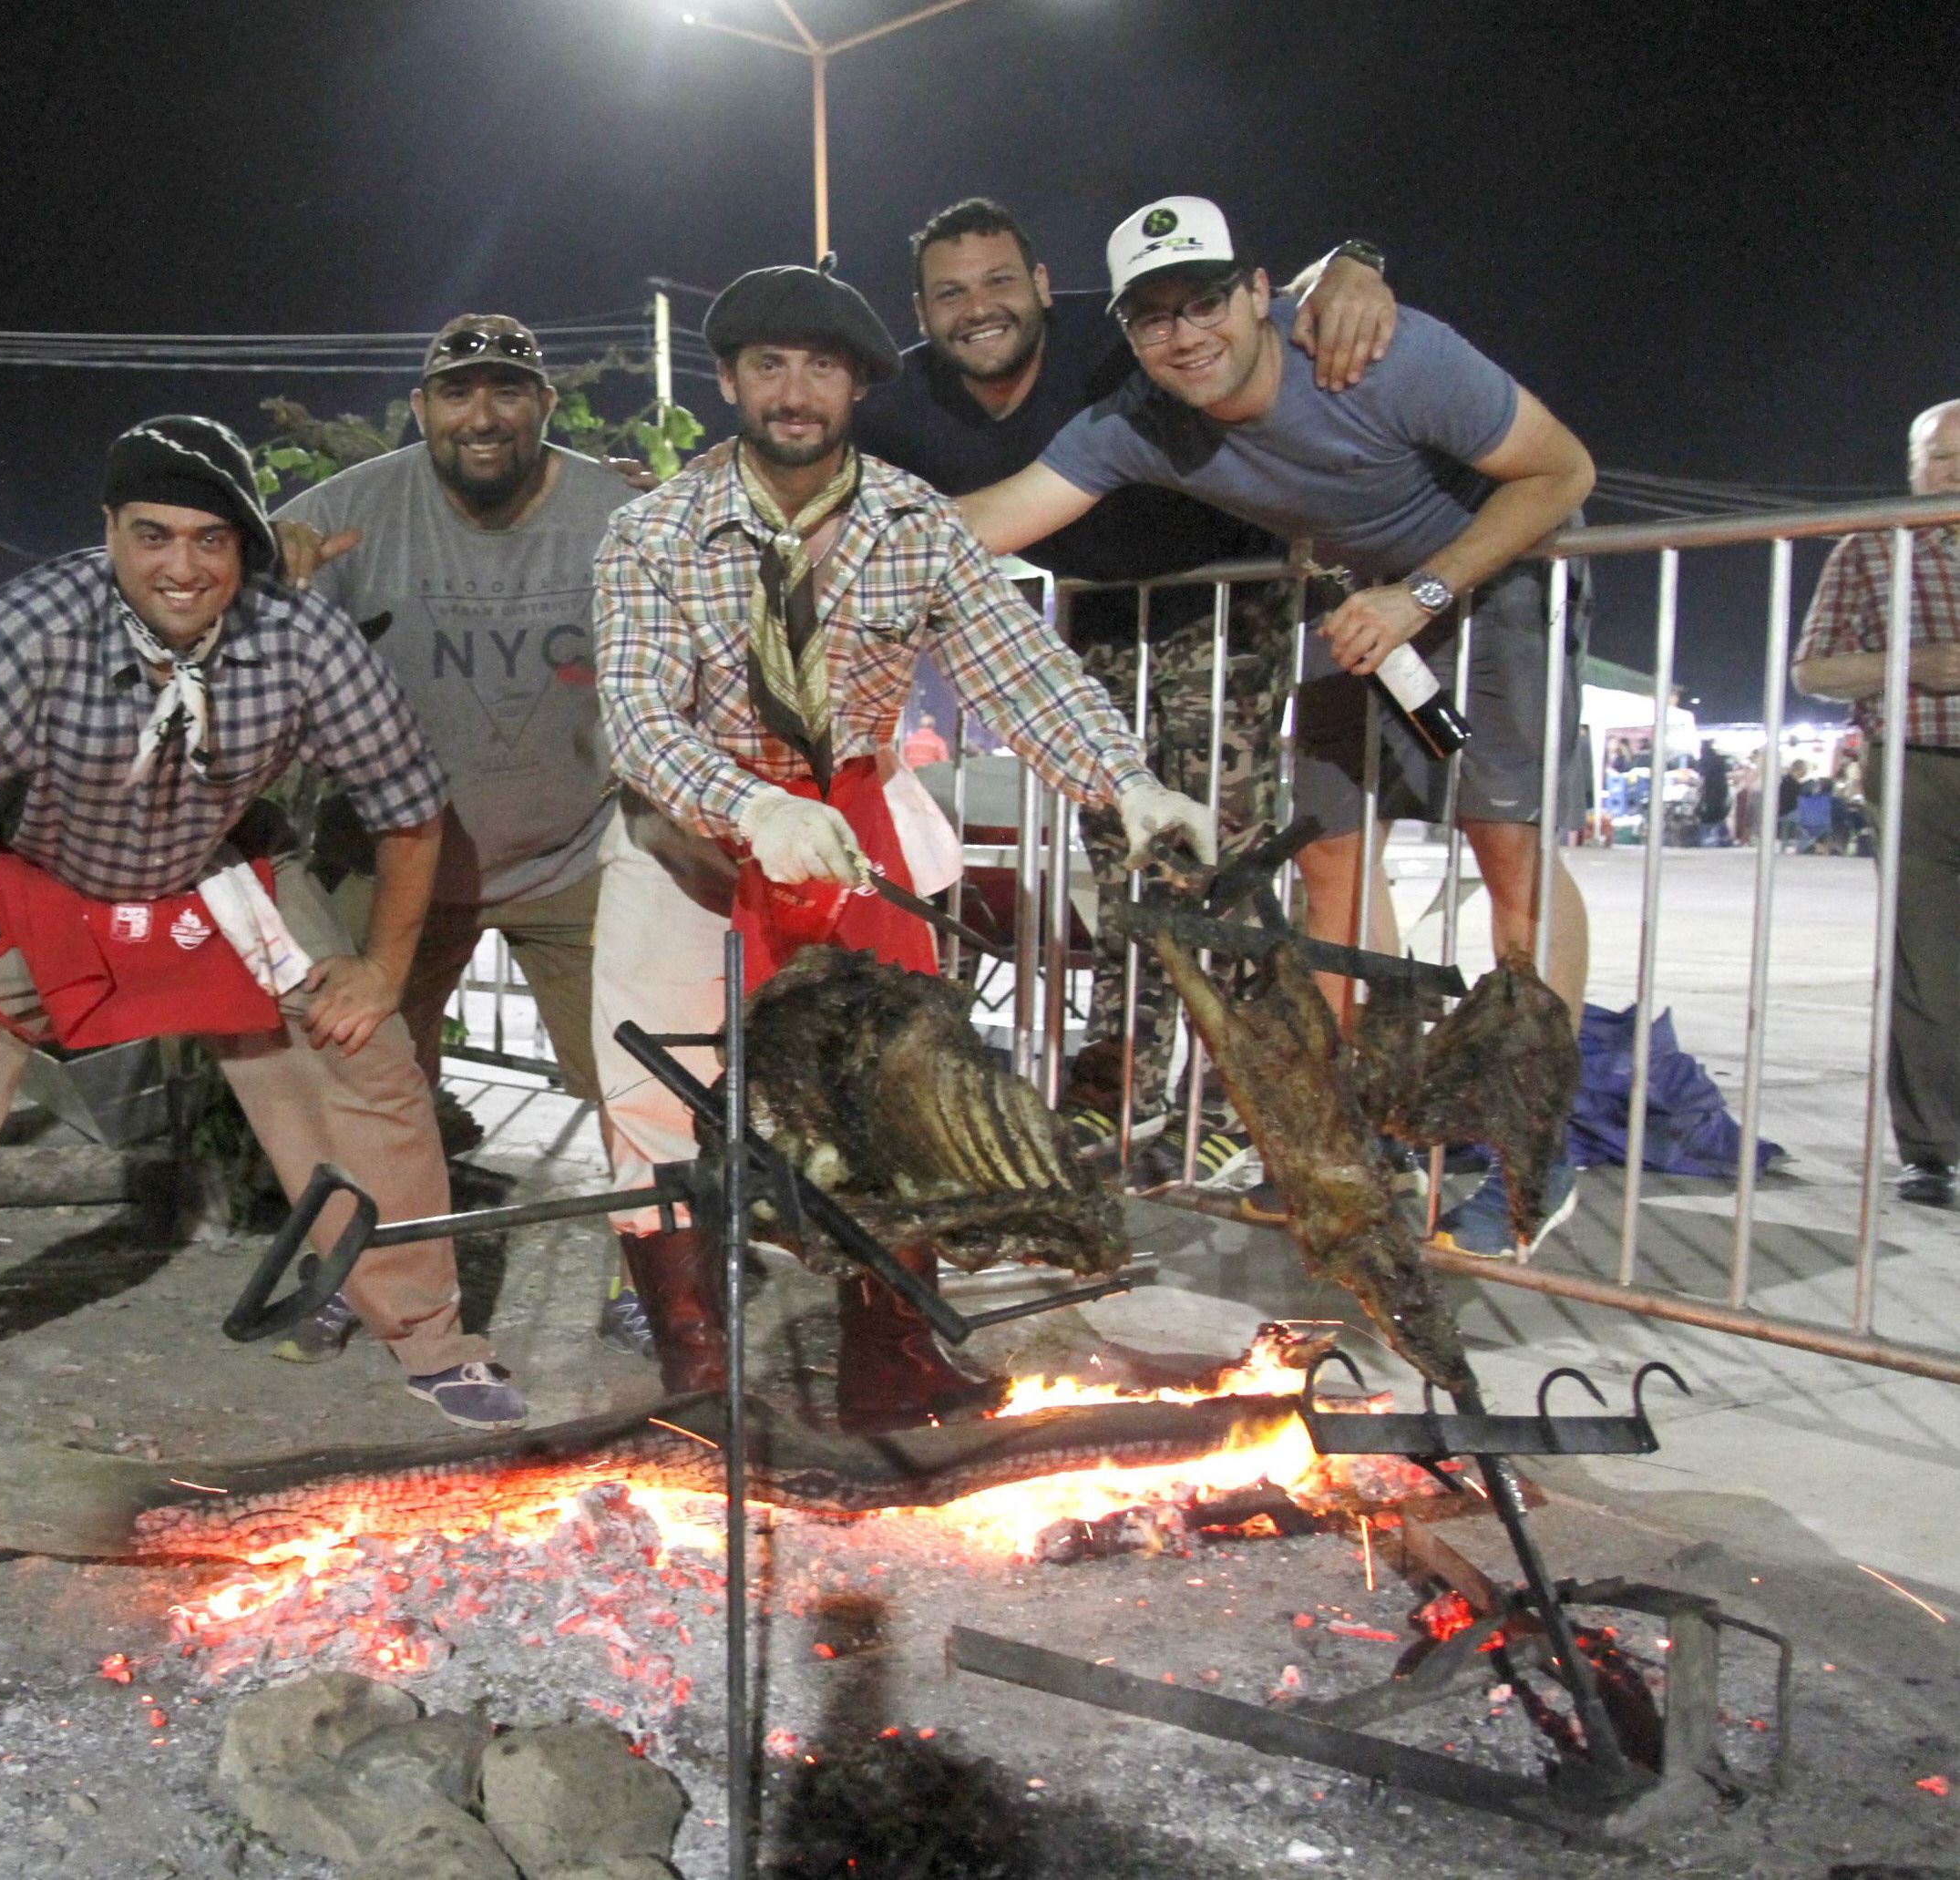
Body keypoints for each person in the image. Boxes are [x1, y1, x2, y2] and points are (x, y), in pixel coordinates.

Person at [0, 415, 530, 1448]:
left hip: (211, 871)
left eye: (210, 539)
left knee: (364, 1055)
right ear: (109, 531)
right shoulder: (28, 625)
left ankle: (431, 1339)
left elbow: (408, 808)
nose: (182, 567)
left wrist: (381, 970)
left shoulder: (298, 636)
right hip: (27, 868)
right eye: (153, 535)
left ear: (243, 545)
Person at [590, 258, 1208, 1432]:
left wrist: (1125, 782)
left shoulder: (914, 524)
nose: (795, 391)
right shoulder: (651, 531)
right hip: (688, 833)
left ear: (858, 386)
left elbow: (1021, 670)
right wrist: (751, 807)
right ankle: (696, 1369)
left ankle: (892, 1357)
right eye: (769, 365)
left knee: (895, 1092)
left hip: (860, 826)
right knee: (658, 1097)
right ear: (728, 380)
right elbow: (637, 716)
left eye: (822, 368)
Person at [959, 196, 1598, 1258]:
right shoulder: (1138, 419)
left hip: (1490, 576)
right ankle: (1373, 1126)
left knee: (1506, 848)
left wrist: (1422, 595)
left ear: (1260, 292)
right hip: (1354, 603)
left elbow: (1562, 470)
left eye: (1204, 300)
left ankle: (1535, 1141)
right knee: (1331, 858)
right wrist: (809, 524)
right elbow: (995, 515)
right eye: (1153, 315)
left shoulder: (1380, 353)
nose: (1184, 334)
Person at [856, 198, 1400, 1185]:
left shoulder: (1119, 336)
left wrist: (1352, 258)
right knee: (1117, 865)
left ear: (1041, 286)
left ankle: (1247, 1101)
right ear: (922, 310)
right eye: (951, 292)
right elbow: (802, 459)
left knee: (1220, 857)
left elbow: (1254, 309)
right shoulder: (899, 398)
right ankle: (1122, 1087)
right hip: (1098, 615)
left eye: (999, 282)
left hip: (1224, 599)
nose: (979, 307)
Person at [268, 313, 644, 1360]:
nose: (484, 414)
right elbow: (218, 603)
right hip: (393, 852)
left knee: (640, 1072)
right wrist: (268, 576)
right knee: (359, 1068)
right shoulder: (343, 512)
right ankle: (355, 1271)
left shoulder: (615, 510)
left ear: (544, 407)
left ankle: (657, 1274)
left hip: (575, 848)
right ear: (421, 407)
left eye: (508, 391)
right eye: (458, 391)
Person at [1793, 397, 1960, 1207]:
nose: (1956, 474)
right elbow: (1813, 671)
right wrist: (1913, 663)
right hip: (1917, 765)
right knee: (1925, 967)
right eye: (1943, 458)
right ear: (1913, 468)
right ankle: (1933, 1149)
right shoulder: (1871, 548)